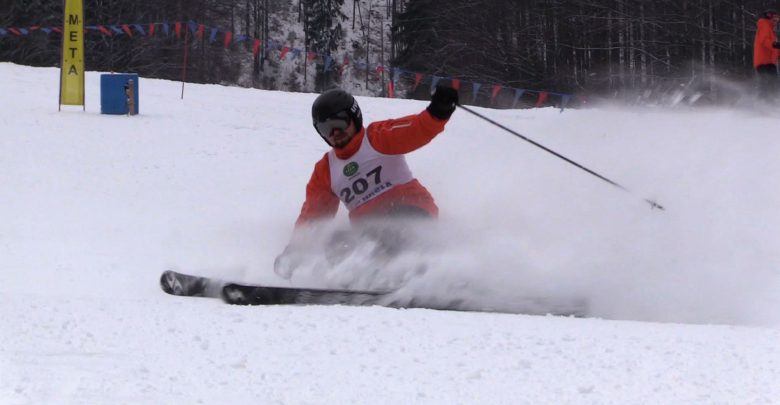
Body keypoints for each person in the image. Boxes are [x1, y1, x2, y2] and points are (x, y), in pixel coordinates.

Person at [274, 86, 459, 274]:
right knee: (337, 243)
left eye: (339, 123)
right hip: (369, 234)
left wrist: (438, 111)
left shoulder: (377, 138)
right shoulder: (325, 170)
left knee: (384, 233)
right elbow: (313, 217)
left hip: (412, 213)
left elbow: (415, 129)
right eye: (326, 129)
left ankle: (421, 273)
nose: (335, 132)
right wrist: (295, 250)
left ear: (354, 117)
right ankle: (358, 283)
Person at [753, 9, 780, 100]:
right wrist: (775, 44)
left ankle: (769, 103)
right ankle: (763, 103)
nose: (776, 22)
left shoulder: (770, 30)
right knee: (767, 84)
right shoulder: (764, 25)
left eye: (777, 20)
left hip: (769, 62)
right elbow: (764, 41)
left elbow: (773, 48)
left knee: (772, 84)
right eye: (774, 19)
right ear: (769, 17)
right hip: (764, 62)